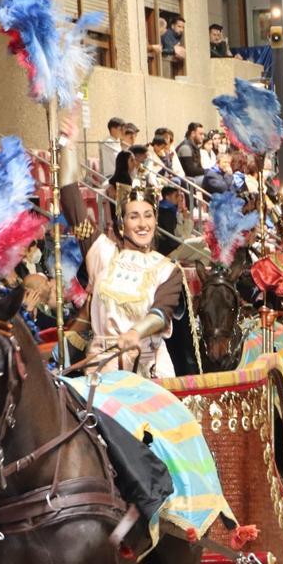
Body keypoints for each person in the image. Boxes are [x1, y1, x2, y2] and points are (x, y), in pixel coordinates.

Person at [58, 109, 185, 378]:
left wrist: (136, 332)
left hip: (150, 372)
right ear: (121, 223)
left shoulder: (168, 269)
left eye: (148, 216)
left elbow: (161, 312)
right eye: (134, 216)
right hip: (101, 370)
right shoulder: (101, 252)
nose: (142, 224)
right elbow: (71, 199)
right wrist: (67, 146)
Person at [99, 117, 125, 181]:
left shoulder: (117, 141)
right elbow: (119, 159)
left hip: (117, 175)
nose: (123, 131)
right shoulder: (109, 142)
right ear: (113, 129)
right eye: (120, 129)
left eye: (123, 129)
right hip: (110, 176)